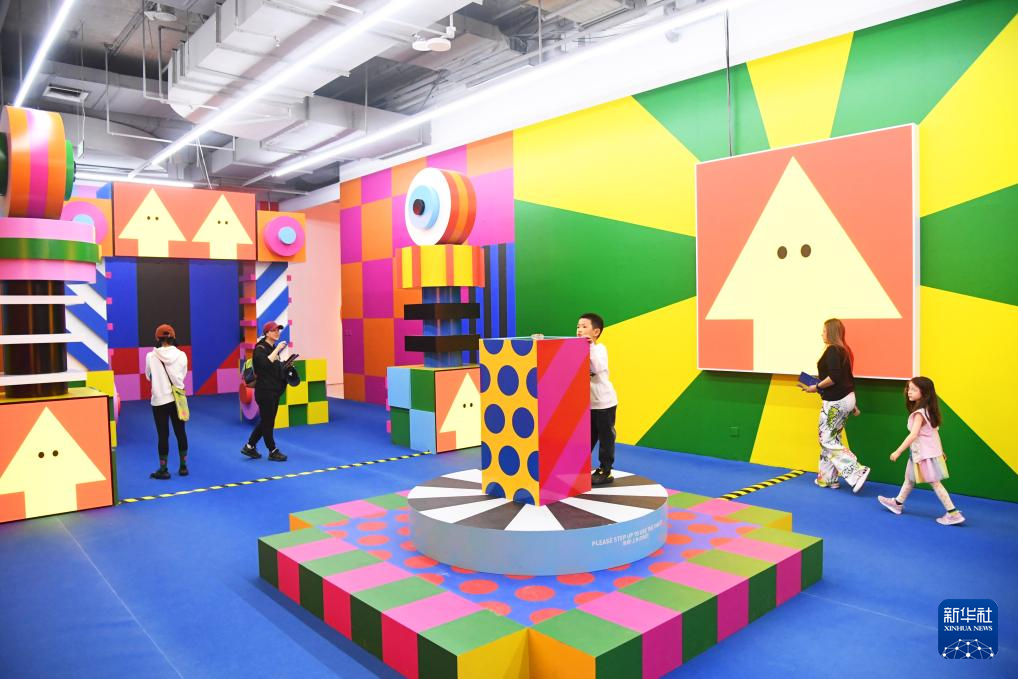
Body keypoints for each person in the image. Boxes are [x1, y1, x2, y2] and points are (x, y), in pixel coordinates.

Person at [878, 377, 964, 525]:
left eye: (913, 389)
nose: (909, 392)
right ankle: (897, 503)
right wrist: (940, 450)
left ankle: (953, 513)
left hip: (924, 454)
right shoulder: (929, 410)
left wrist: (898, 451)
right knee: (909, 479)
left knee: (935, 483)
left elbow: (913, 435)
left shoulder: (919, 414)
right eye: (908, 388)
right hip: (922, 453)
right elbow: (934, 432)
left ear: (924, 393)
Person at [800, 318, 870, 492]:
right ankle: (827, 478)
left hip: (836, 401)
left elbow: (834, 377)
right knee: (832, 438)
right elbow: (845, 378)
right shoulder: (844, 350)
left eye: (824, 331)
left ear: (830, 332)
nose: (821, 334)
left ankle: (856, 470)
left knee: (826, 439)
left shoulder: (832, 350)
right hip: (845, 398)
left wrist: (816, 386)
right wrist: (852, 403)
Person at [577, 313, 618, 486]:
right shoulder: (576, 349)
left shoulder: (599, 349)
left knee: (606, 438)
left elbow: (597, 367)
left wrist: (590, 347)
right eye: (578, 326)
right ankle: (578, 466)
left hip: (604, 403)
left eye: (584, 326)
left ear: (596, 332)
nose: (579, 330)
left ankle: (605, 470)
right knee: (586, 437)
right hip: (588, 404)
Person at [241, 321, 291, 462]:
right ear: (267, 333)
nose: (277, 332)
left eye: (278, 330)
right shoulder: (260, 349)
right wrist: (278, 350)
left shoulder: (272, 348)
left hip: (274, 390)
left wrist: (286, 365)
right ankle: (272, 450)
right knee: (268, 422)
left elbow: (274, 368)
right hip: (265, 391)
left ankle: (250, 446)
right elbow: (263, 365)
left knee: (266, 421)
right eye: (274, 330)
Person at [144, 324, 188, 479]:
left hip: (159, 400)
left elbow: (148, 376)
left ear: (157, 338)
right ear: (173, 337)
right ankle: (183, 467)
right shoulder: (182, 355)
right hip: (177, 399)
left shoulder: (151, 356)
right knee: (180, 432)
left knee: (163, 435)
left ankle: (163, 469)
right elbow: (182, 375)